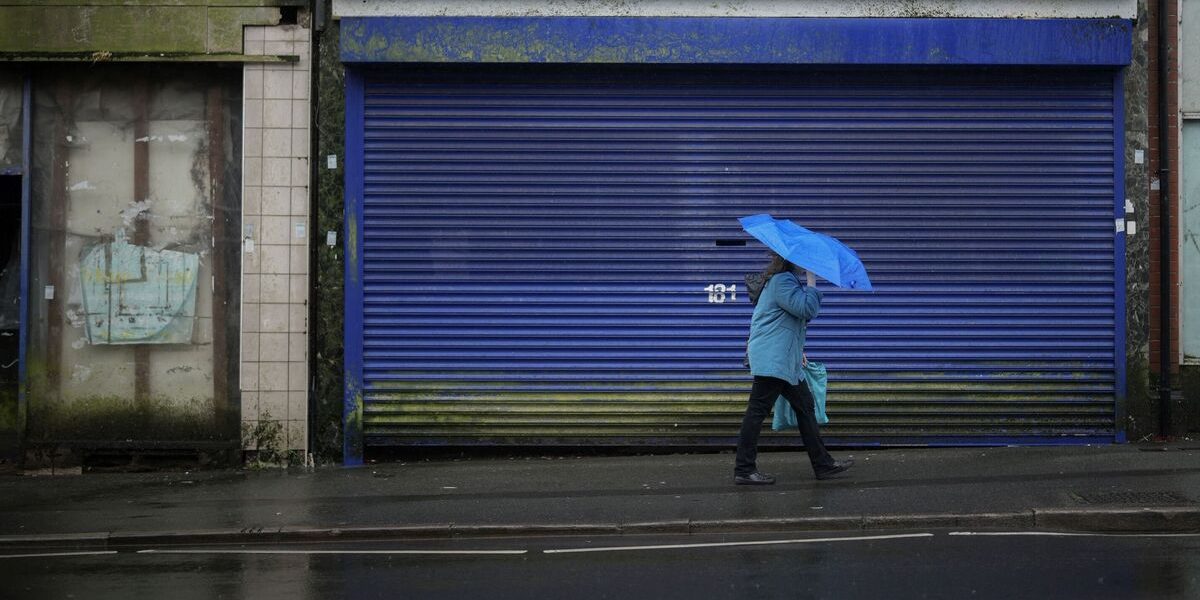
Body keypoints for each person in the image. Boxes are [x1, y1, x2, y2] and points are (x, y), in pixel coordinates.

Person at [735, 251, 853, 485]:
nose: (804, 264)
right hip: (774, 357)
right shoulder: (783, 280)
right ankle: (744, 469)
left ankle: (823, 465)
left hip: (782, 356)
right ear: (791, 261)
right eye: (802, 261)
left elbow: (787, 320)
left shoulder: (779, 280)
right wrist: (812, 280)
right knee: (757, 411)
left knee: (805, 406)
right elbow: (805, 310)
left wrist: (798, 350)